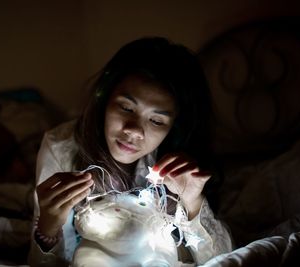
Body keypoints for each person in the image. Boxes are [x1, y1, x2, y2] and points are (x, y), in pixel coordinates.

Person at [28, 36, 233, 266]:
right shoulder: (62, 147)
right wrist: (48, 226)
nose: (134, 131)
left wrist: (194, 203)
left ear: (175, 125)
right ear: (104, 99)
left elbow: (223, 260)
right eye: (126, 107)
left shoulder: (181, 158)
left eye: (156, 121)